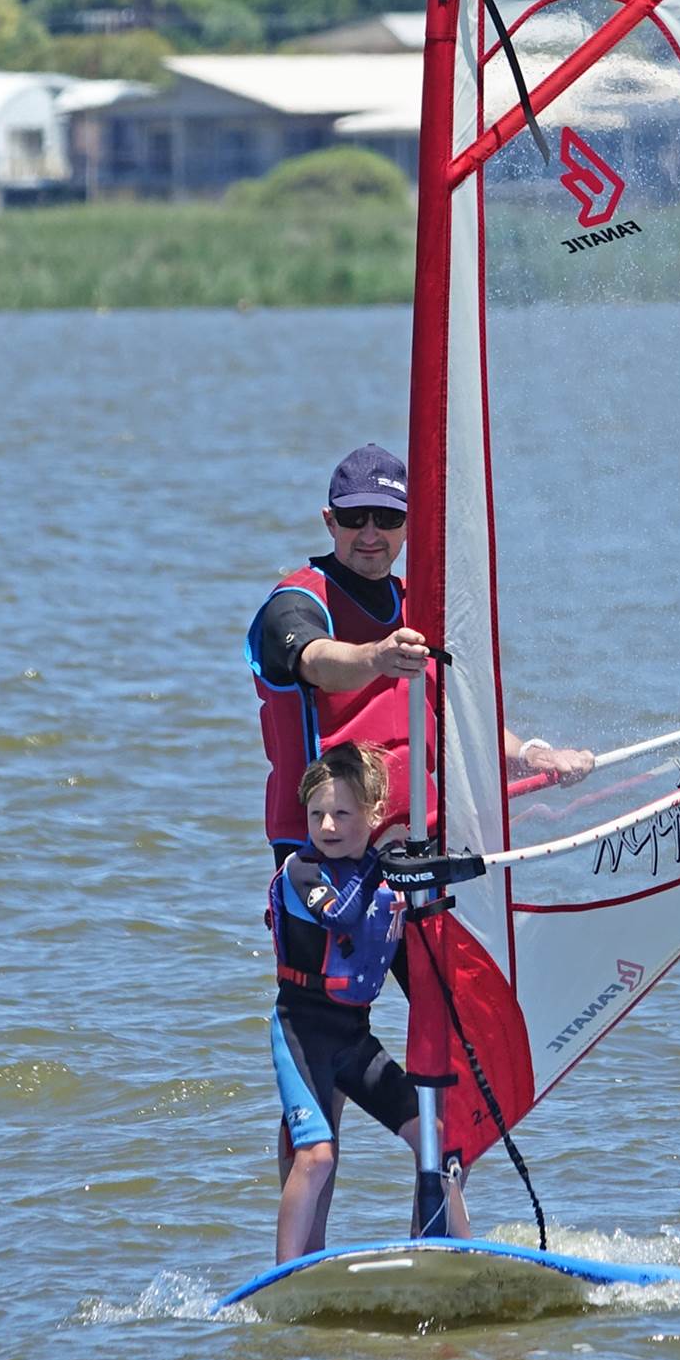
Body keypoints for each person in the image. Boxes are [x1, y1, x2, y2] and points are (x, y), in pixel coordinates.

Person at [248, 443, 593, 867]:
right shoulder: (293, 604)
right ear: (330, 521)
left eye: (387, 518)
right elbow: (317, 662)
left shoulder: (424, 605)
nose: (370, 535)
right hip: (322, 847)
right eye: (355, 518)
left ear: (410, 524)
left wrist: (532, 756)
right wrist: (376, 658)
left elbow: (457, 715)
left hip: (418, 838)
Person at [266, 743, 472, 1262]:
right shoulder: (302, 871)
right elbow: (340, 917)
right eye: (317, 814)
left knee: (436, 1139)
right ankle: (285, 1277)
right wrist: (381, 863)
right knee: (316, 1157)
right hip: (302, 1031)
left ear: (373, 814)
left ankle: (458, 1256)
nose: (327, 826)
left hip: (353, 1037)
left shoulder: (382, 881)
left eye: (342, 813)